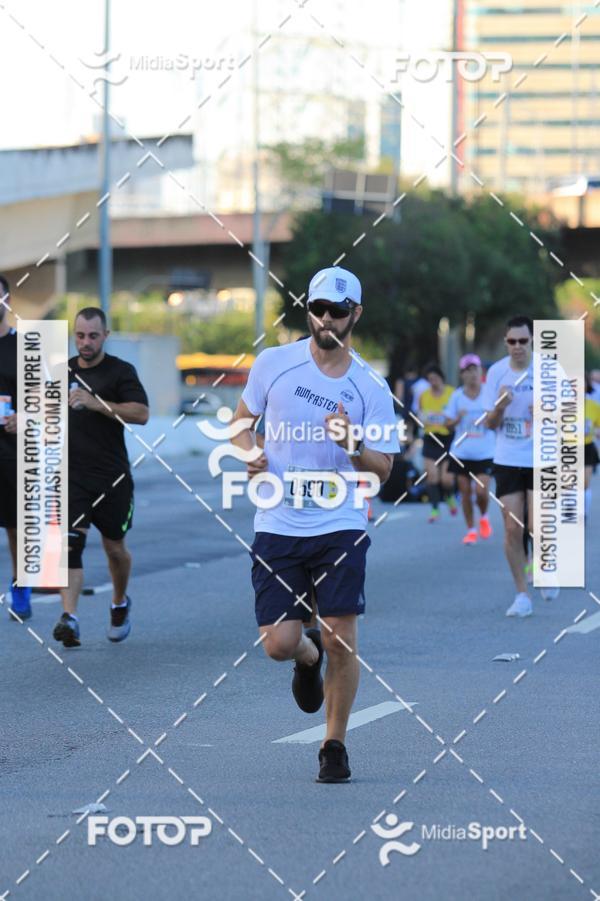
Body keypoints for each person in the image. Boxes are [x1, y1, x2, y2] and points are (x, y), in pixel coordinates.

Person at [230, 266, 398, 783]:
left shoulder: (370, 385)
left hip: (340, 522)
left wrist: (353, 445)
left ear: (355, 315)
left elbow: (384, 469)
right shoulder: (274, 363)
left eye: (338, 311)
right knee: (278, 644)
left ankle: (334, 745)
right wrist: (251, 453)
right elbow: (239, 424)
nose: (327, 319)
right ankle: (306, 658)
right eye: (318, 308)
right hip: (279, 521)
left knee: (341, 635)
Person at [52, 307, 149, 648]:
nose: (86, 342)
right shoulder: (61, 372)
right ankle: (70, 617)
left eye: (93, 336)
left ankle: (119, 603)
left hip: (112, 478)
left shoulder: (121, 371)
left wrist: (97, 404)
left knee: (115, 548)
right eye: (80, 335)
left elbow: (142, 413)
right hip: (73, 476)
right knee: (71, 544)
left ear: (105, 335)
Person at [483, 315, 558, 618]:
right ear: (506, 342)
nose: (517, 346)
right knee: (513, 528)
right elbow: (489, 423)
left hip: (542, 457)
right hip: (507, 458)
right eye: (512, 341)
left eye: (523, 341)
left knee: (538, 524)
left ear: (532, 341)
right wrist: (500, 407)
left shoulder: (549, 370)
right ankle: (522, 595)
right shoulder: (496, 372)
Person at [0, 275, 33, 620]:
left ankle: (21, 584)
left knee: (15, 524)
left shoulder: (24, 347)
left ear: (7, 300)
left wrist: (23, 417)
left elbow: (45, 400)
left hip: (12, 450)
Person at [444, 354, 495, 544]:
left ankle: (484, 516)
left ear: (481, 371)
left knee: (481, 491)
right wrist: (458, 418)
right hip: (461, 452)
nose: (472, 374)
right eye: (467, 371)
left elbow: (499, 419)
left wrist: (490, 418)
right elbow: (447, 424)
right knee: (465, 492)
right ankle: (471, 530)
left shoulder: (490, 393)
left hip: (486, 452)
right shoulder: (457, 396)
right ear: (462, 375)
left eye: (475, 369)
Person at [418, 364, 457, 522]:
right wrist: (423, 419)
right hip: (430, 438)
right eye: (430, 380)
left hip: (448, 438)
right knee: (432, 477)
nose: (433, 382)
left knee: (446, 479)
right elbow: (420, 415)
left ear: (441, 378)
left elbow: (457, 415)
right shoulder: (424, 396)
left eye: (435, 378)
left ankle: (449, 497)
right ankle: (435, 510)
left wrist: (450, 420)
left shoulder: (452, 393)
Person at [584, 374, 600, 518]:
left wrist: (596, 431)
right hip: (566, 448)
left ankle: (583, 513)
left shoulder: (594, 406)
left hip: (587, 447)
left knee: (584, 483)